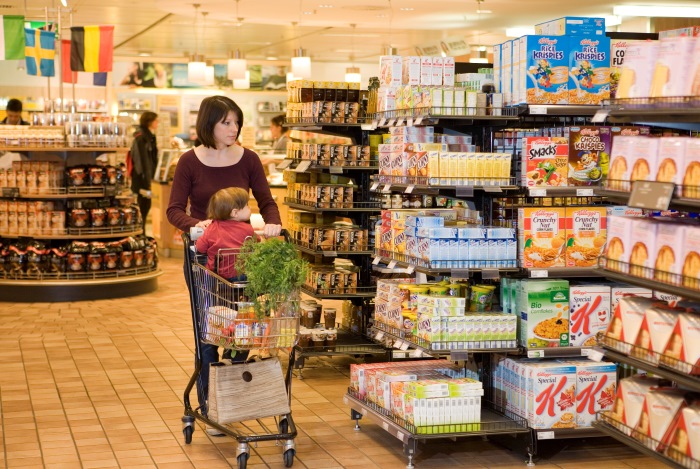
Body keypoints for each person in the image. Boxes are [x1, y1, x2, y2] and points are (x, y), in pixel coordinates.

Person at [166, 95, 282, 432]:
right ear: (209, 124)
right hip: (205, 262)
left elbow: (266, 201)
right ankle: (209, 403)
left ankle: (229, 399)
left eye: (237, 122)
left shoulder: (249, 159)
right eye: (226, 122)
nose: (234, 129)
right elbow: (175, 209)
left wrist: (272, 223)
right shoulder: (189, 161)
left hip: (242, 262)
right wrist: (195, 225)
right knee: (209, 331)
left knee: (239, 330)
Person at [195, 187, 255, 280]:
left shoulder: (211, 228)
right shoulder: (248, 229)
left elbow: (200, 247)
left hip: (216, 276)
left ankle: (208, 295)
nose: (249, 207)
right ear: (235, 213)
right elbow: (257, 244)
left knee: (205, 279)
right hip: (242, 275)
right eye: (246, 205)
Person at [130, 111, 159, 233]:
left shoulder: (148, 136)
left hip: (145, 177)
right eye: (156, 120)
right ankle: (140, 232)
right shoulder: (142, 137)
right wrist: (148, 180)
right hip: (142, 179)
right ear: (149, 121)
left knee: (145, 205)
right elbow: (143, 161)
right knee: (143, 205)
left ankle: (141, 232)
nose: (158, 123)